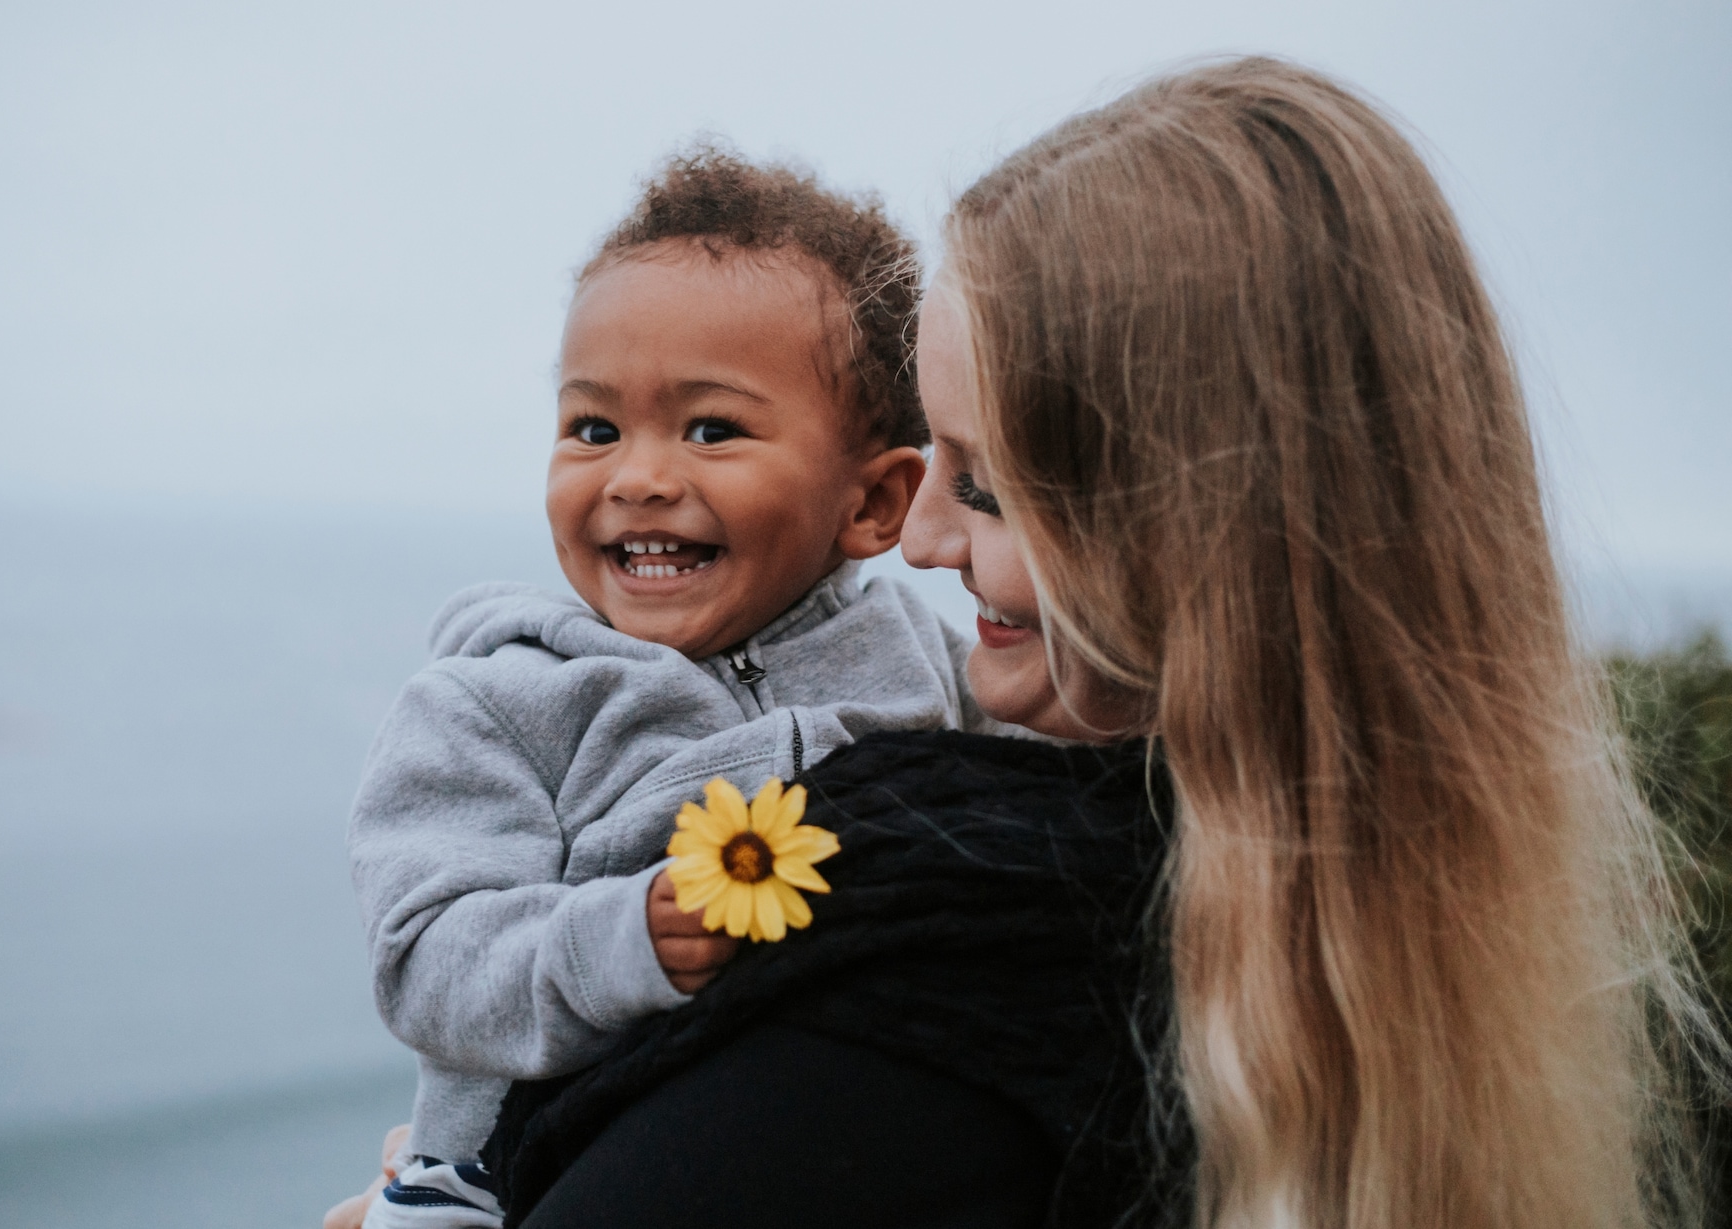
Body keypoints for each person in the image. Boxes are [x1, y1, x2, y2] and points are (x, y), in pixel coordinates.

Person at [480, 57, 1718, 1229]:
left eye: (982, 486)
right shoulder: (1411, 964)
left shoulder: (946, 946)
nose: (912, 540)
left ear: (1192, 530)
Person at [332, 147, 1011, 1229]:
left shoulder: (927, 658)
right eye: (592, 428)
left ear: (875, 500)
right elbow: (427, 959)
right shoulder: (497, 703)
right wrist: (621, 938)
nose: (638, 475)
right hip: (496, 1188)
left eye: (711, 428)